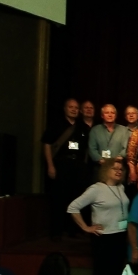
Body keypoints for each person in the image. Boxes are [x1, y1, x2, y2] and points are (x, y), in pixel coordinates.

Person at [67, 159, 129, 275]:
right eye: (114, 168)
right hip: (103, 238)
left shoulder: (121, 188)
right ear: (105, 170)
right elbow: (73, 207)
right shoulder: (96, 189)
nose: (118, 171)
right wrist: (86, 227)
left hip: (120, 236)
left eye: (121, 169)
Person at [42, 98, 89, 239]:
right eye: (71, 107)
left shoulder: (83, 126)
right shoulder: (56, 124)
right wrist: (50, 165)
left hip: (78, 166)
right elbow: (47, 144)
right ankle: (56, 232)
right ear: (65, 109)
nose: (74, 110)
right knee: (59, 198)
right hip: (61, 165)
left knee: (76, 198)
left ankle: (73, 230)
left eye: (76, 107)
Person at [88, 104, 132, 188]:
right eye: (107, 113)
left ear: (116, 115)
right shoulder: (95, 130)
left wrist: (118, 159)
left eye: (112, 113)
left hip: (118, 168)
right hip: (100, 168)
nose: (110, 115)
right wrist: (102, 161)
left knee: (118, 191)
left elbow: (126, 148)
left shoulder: (124, 130)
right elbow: (92, 149)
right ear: (102, 115)